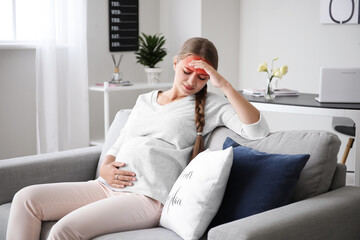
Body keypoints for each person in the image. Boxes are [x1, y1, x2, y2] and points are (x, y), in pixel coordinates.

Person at [6, 37, 270, 240]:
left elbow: (257, 130)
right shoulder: (145, 100)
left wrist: (222, 84)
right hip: (106, 186)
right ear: (175, 63)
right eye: (187, 71)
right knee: (26, 199)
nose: (192, 81)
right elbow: (120, 141)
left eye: (202, 77)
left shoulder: (211, 104)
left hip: (146, 198)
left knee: (65, 230)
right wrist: (105, 166)